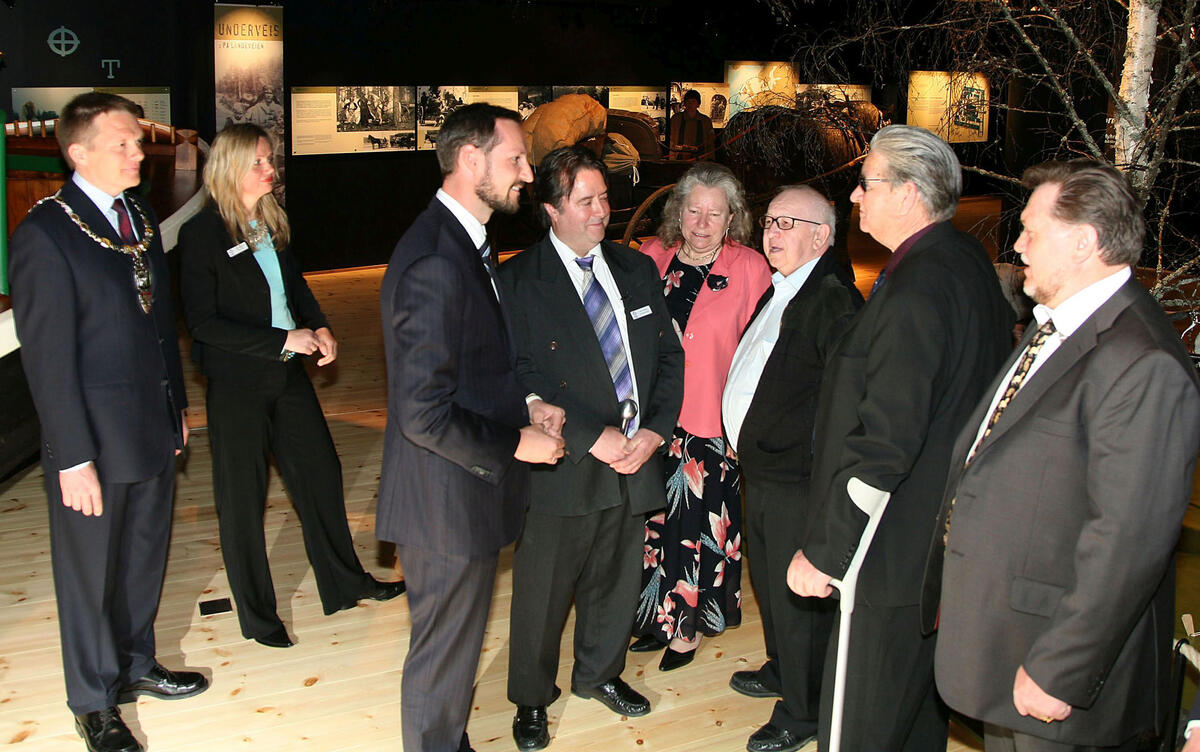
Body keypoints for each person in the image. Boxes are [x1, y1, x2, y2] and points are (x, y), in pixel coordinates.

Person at [925, 159, 1200, 752]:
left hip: (1053, 668)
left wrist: (1060, 669)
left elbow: (1128, 541)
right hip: (1006, 637)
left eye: (1030, 230)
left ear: (1083, 243)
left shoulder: (1142, 362)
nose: (1017, 244)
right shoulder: (1056, 327)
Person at [786, 124, 1014, 751]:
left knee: (858, 728)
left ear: (910, 194)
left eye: (866, 184)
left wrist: (827, 554)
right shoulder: (961, 261)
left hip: (885, 552)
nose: (854, 198)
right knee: (914, 724)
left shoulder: (917, 287)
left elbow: (886, 442)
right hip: (935, 545)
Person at [8, 92, 207, 752]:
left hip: (151, 423)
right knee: (89, 576)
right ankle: (95, 704)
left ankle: (135, 666)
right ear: (78, 153)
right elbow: (48, 361)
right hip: (91, 440)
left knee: (144, 559)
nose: (137, 153)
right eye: (121, 143)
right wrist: (70, 457)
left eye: (137, 140)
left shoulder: (137, 213)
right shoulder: (46, 234)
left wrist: (176, 405)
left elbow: (158, 323)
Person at [376, 103, 565, 752]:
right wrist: (518, 442)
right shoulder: (436, 258)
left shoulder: (464, 242)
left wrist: (529, 403)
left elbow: (479, 369)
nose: (527, 172)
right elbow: (423, 410)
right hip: (444, 502)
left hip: (460, 492)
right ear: (470, 161)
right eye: (516, 159)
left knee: (452, 655)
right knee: (442, 658)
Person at [177, 123, 405, 649]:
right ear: (231, 167)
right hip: (237, 384)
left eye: (270, 160)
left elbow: (294, 286)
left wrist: (319, 324)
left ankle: (345, 583)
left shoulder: (268, 222)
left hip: (286, 375)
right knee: (242, 502)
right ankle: (259, 618)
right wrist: (285, 338)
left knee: (322, 473)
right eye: (259, 162)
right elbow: (204, 324)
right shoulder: (202, 234)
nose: (271, 170)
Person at [499, 146, 684, 750]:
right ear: (551, 208)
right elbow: (518, 375)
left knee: (617, 577)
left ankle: (600, 673)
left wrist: (655, 431)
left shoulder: (635, 271)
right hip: (565, 464)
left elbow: (669, 359)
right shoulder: (519, 281)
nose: (603, 210)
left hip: (635, 459)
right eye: (587, 201)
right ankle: (531, 698)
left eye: (605, 197)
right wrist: (589, 436)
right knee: (543, 592)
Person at [722, 186, 863, 752]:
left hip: (797, 482)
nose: (772, 232)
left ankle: (804, 712)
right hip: (762, 472)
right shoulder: (784, 288)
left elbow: (843, 406)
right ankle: (783, 670)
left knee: (800, 602)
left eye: (788, 223)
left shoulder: (834, 300)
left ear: (822, 235)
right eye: (769, 221)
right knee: (772, 588)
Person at [632, 162, 771, 670]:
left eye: (716, 212)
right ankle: (654, 615)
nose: (703, 221)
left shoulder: (750, 267)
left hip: (709, 423)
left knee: (695, 526)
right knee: (653, 523)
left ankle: (687, 628)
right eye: (694, 210)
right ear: (679, 212)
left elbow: (763, 348)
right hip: (651, 420)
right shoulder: (651, 256)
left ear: (732, 217)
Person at [669, 89, 716, 160]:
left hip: (700, 160)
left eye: (693, 101)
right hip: (679, 159)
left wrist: (711, 159)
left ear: (698, 104)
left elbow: (710, 143)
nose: (690, 104)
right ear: (684, 103)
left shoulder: (705, 120)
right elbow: (671, 140)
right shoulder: (676, 119)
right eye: (688, 102)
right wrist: (672, 158)